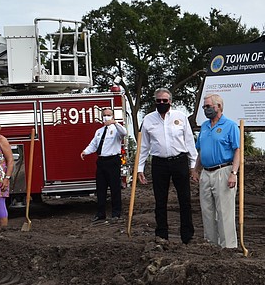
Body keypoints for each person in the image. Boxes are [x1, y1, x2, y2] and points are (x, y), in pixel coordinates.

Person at [137, 88, 198, 244]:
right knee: (160, 200)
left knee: (184, 200)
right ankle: (162, 234)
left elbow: (189, 142)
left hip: (180, 161)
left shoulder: (181, 117)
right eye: (159, 101)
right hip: (159, 163)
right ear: (155, 102)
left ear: (170, 101)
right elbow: (143, 146)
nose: (162, 103)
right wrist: (139, 168)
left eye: (165, 101)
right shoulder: (148, 120)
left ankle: (187, 235)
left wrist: (193, 166)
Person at [192, 94, 240, 248]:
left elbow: (237, 150)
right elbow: (201, 150)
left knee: (224, 211)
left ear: (218, 106)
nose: (206, 109)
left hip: (223, 170)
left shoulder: (230, 126)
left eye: (208, 106)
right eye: (204, 107)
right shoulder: (205, 127)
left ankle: (228, 246)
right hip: (206, 172)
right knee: (207, 210)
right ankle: (211, 244)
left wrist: (234, 173)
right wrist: (195, 169)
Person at [81, 107, 127, 223]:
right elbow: (94, 144)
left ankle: (116, 213)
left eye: (108, 115)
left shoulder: (117, 130)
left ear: (112, 116)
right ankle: (100, 213)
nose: (106, 117)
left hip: (113, 160)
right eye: (104, 115)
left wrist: (115, 123)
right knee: (100, 189)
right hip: (101, 161)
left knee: (115, 188)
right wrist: (85, 152)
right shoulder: (99, 131)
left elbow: (124, 133)